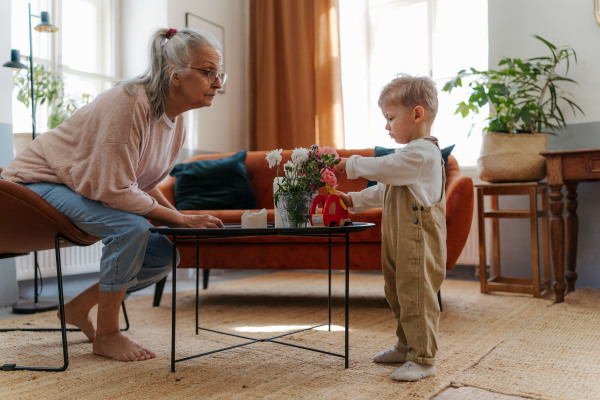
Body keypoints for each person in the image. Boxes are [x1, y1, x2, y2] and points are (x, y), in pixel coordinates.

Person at [1, 28, 226, 362]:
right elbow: (115, 189)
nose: (218, 83)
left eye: (219, 74)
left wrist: (176, 224)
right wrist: (178, 217)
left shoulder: (175, 121)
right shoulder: (130, 101)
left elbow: (140, 180)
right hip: (31, 186)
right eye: (208, 72)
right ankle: (107, 336)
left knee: (163, 255)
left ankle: (78, 308)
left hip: (75, 188)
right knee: (130, 228)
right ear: (174, 75)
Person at [335, 74, 445, 381]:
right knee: (396, 290)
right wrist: (353, 200)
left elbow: (387, 168)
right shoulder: (407, 156)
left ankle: (423, 358)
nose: (387, 126)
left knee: (417, 296)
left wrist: (352, 164)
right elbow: (385, 188)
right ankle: (405, 344)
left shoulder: (423, 153)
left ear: (417, 114)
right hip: (398, 239)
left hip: (419, 242)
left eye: (391, 118)